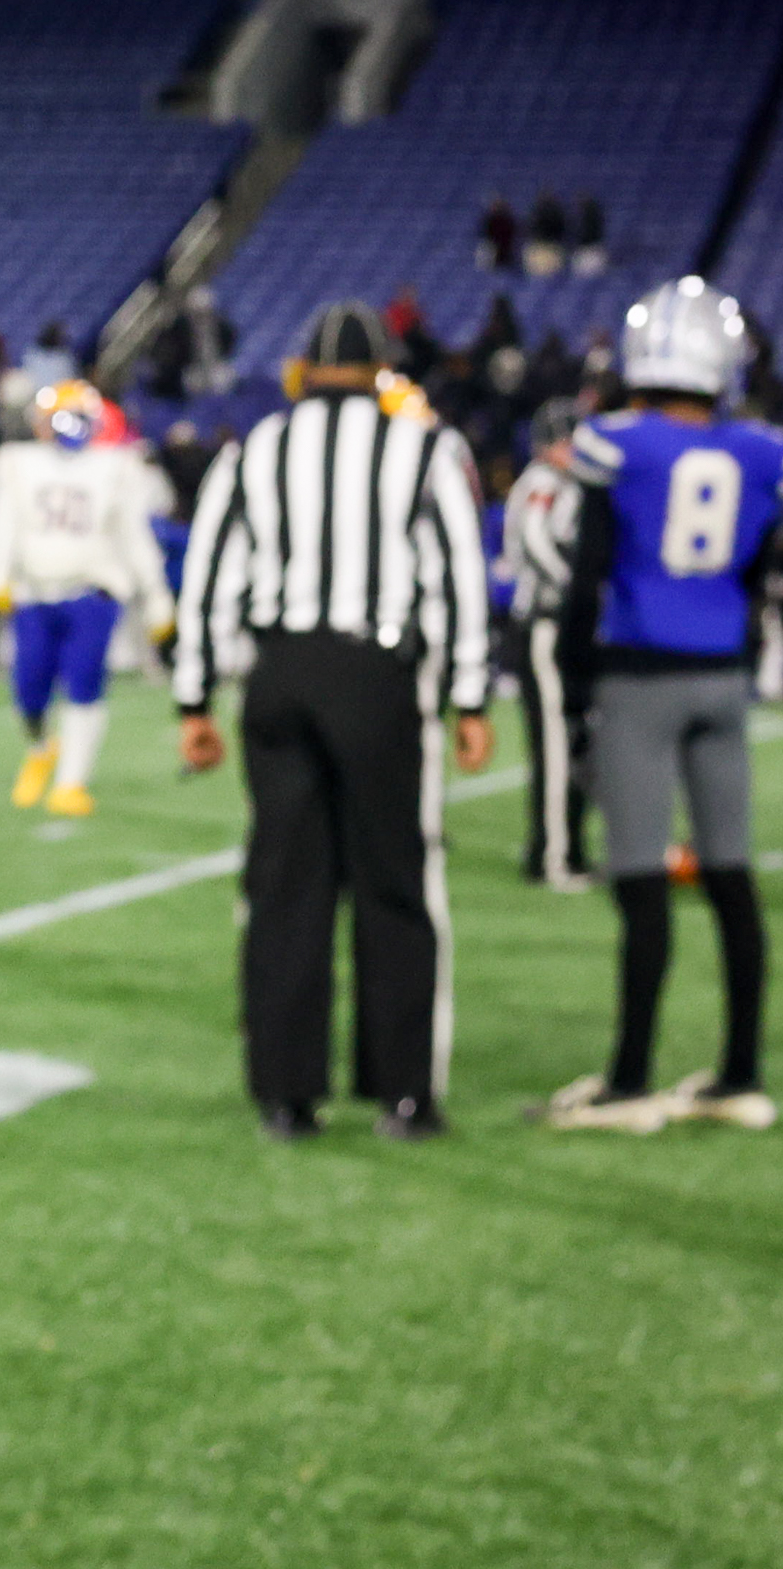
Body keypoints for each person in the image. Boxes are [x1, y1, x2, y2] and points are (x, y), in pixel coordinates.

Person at [171, 303, 496, 1141]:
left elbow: (209, 573)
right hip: (373, 674)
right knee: (393, 880)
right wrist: (469, 694)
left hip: (279, 674)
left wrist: (195, 698)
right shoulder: (424, 446)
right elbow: (457, 571)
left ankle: (286, 1095)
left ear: (302, 370)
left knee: (285, 885)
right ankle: (404, 1093)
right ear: (381, 370)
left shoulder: (256, 449)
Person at [534, 280, 781, 1132]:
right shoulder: (759, 452)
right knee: (731, 877)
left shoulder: (616, 443)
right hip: (722, 673)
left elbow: (589, 575)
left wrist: (570, 686)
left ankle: (631, 1079)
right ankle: (741, 1074)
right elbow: (758, 573)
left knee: (641, 880)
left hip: (640, 676)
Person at [0, 379, 175, 817]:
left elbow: (133, 534)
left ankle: (71, 782)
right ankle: (40, 748)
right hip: (34, 592)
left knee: (84, 684)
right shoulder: (18, 462)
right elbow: (3, 521)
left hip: (92, 592)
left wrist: (155, 593)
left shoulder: (114, 466)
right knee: (28, 691)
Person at [497, 402, 597, 891]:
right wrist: (578, 588)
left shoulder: (560, 484)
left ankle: (568, 848)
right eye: (566, 441)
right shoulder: (543, 482)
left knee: (575, 744)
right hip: (544, 625)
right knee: (556, 747)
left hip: (559, 627)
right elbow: (538, 542)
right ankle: (552, 856)